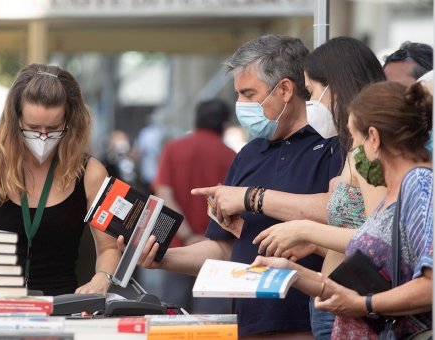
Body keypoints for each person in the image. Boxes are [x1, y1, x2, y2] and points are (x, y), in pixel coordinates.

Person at [133, 35, 343, 338]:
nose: (241, 106)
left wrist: (251, 198)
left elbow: (339, 214)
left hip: (310, 325)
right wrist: (162, 257)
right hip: (247, 324)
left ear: (284, 89)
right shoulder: (248, 155)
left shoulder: (332, 147)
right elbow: (225, 249)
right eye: (238, 95)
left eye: (249, 94)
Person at [251, 81, 433, 339]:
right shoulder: (393, 195)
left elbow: (434, 286)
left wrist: (365, 305)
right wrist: (291, 272)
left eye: (356, 140)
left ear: (374, 137)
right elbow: (369, 280)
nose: (354, 154)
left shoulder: (419, 184)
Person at [233, 37, 387, 340]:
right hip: (329, 301)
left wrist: (305, 231)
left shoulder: (366, 151)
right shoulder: (355, 149)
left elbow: (378, 239)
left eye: (313, 92)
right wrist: (316, 245)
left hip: (350, 302)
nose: (311, 102)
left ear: (336, 88)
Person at [0, 64, 119, 296]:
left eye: (53, 128)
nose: (42, 137)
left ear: (70, 122)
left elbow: (109, 247)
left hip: (64, 308)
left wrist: (103, 278)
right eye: (32, 128)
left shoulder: (91, 173)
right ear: (15, 120)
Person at [152, 98, 236, 314]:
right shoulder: (232, 156)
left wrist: (187, 235)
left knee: (172, 316)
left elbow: (164, 195)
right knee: (211, 321)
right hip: (217, 251)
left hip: (176, 247)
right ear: (225, 124)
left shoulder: (173, 149)